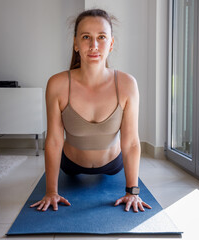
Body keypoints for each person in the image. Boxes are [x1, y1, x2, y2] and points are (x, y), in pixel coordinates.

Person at [30, 9, 151, 213]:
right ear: (75, 43)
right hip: (70, 164)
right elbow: (54, 140)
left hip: (113, 165)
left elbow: (130, 142)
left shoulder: (127, 84)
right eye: (86, 37)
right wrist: (51, 191)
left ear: (111, 43)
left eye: (101, 37)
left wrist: (133, 191)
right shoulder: (58, 84)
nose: (94, 46)